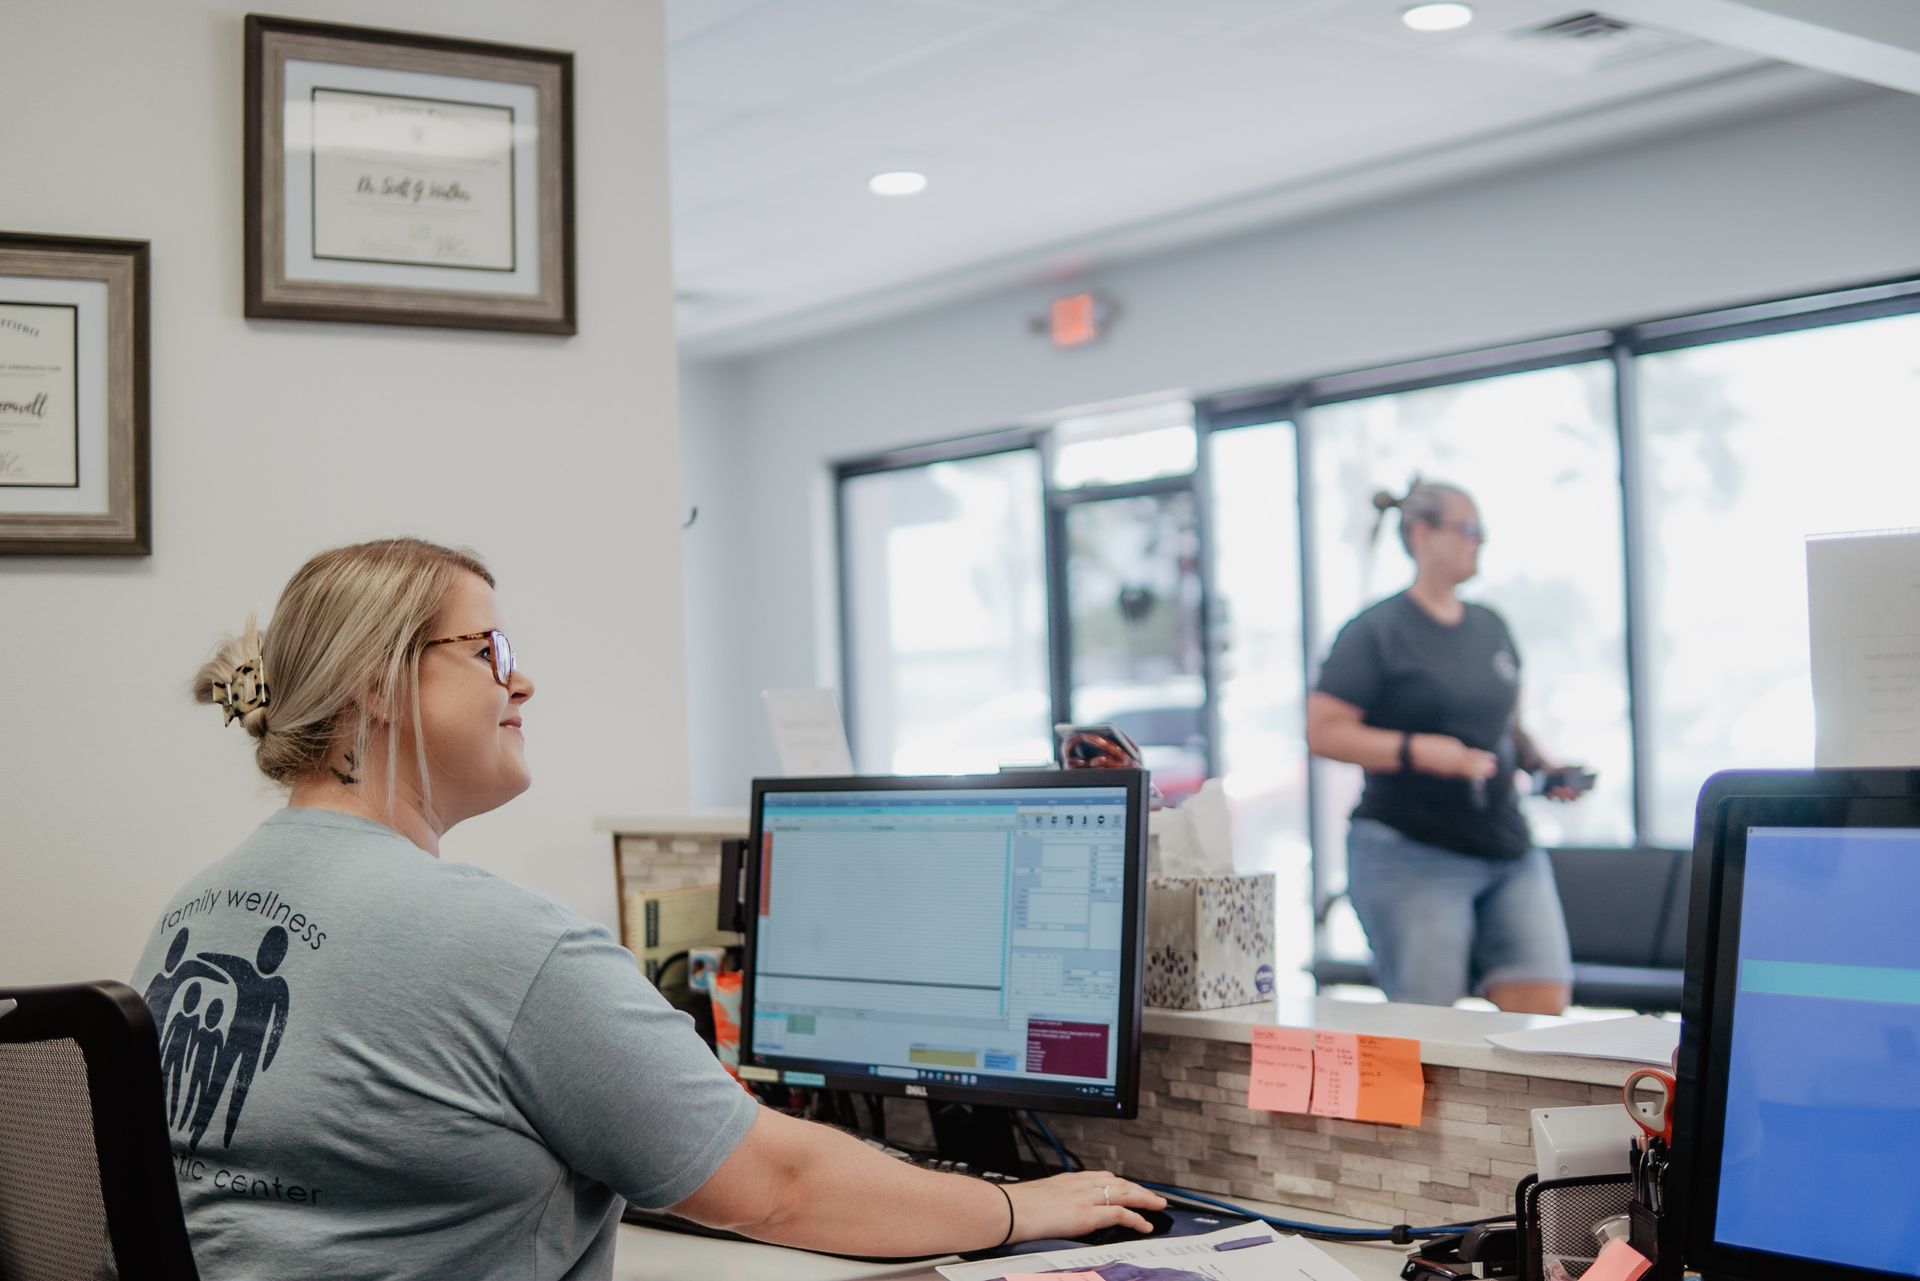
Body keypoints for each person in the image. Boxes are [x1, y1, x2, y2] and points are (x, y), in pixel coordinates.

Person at [134, 537, 1163, 1281]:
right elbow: (777, 1184)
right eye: (488, 649)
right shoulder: (503, 945)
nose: (522, 679)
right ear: (378, 686)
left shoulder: (197, 911)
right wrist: (1014, 1209)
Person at [1304, 483, 1583, 1014]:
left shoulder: (1489, 626)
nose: (1481, 542)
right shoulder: (1376, 632)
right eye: (1469, 529)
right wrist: (1422, 751)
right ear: (1422, 534)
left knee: (1542, 1016)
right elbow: (1324, 731)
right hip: (1411, 852)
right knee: (1428, 1032)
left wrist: (1544, 766)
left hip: (1505, 847)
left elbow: (1506, 724)